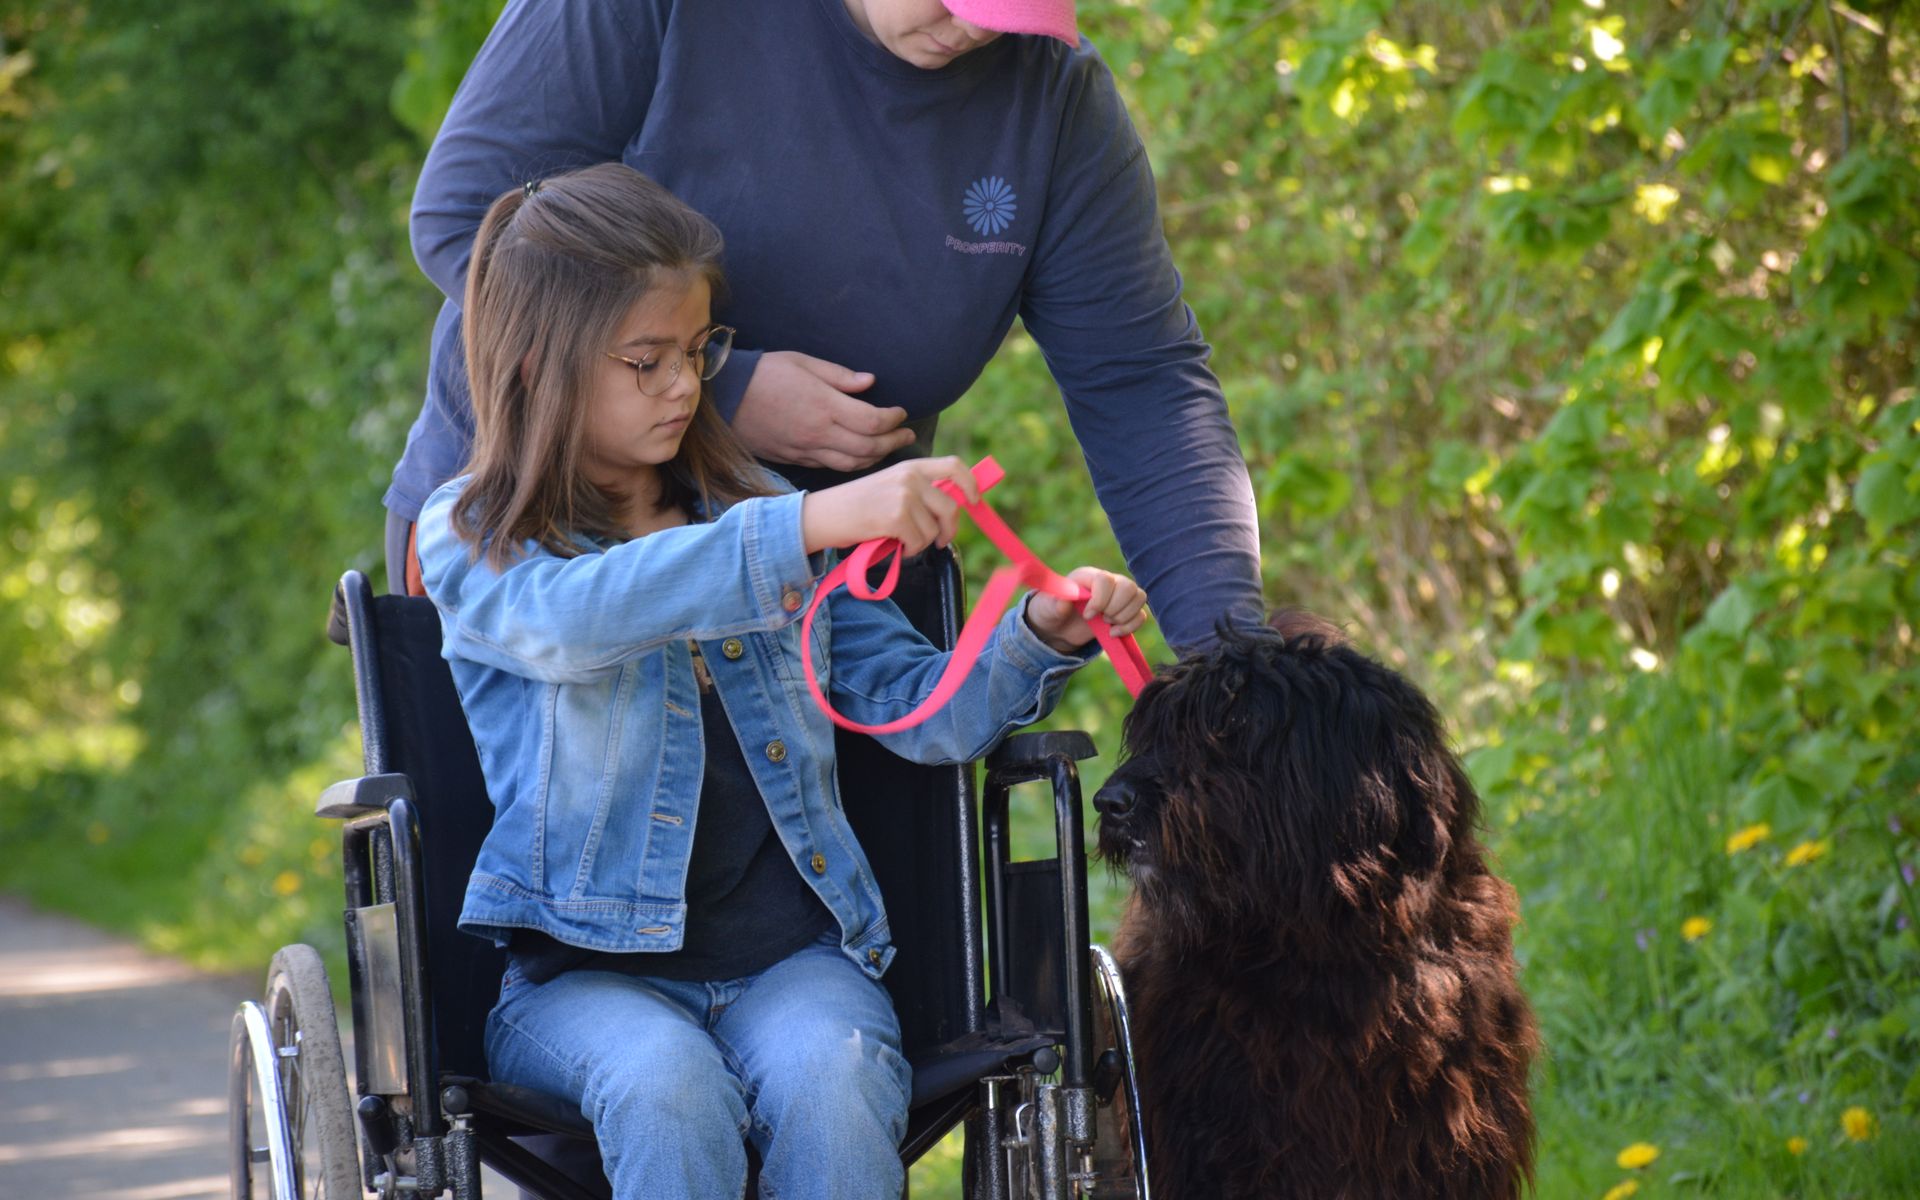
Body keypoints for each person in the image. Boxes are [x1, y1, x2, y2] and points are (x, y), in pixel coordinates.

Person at [413, 163, 1148, 1199]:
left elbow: (913, 711)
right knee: (669, 1086)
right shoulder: (478, 536)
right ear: (538, 364)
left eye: (698, 351)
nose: (686, 385)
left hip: (793, 962)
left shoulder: (749, 506)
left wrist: (1033, 635)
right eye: (646, 360)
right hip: (578, 981)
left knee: (835, 1081)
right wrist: (811, 522)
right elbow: (575, 623)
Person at [387, 0, 1262, 652]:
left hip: (834, 604)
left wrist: (1236, 659)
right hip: (550, 540)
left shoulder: (1055, 101)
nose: (975, 30)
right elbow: (469, 220)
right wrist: (721, 391)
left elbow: (1143, 386)